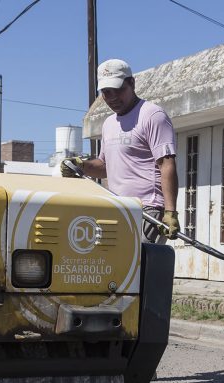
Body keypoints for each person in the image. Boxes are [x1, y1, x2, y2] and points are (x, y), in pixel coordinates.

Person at [61, 58, 179, 244]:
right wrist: (81, 166)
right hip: (116, 209)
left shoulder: (152, 115)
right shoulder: (109, 124)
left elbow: (166, 164)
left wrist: (170, 212)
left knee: (138, 270)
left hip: (148, 211)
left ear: (132, 83)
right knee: (115, 269)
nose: (113, 97)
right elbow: (105, 167)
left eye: (119, 90)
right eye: (107, 92)